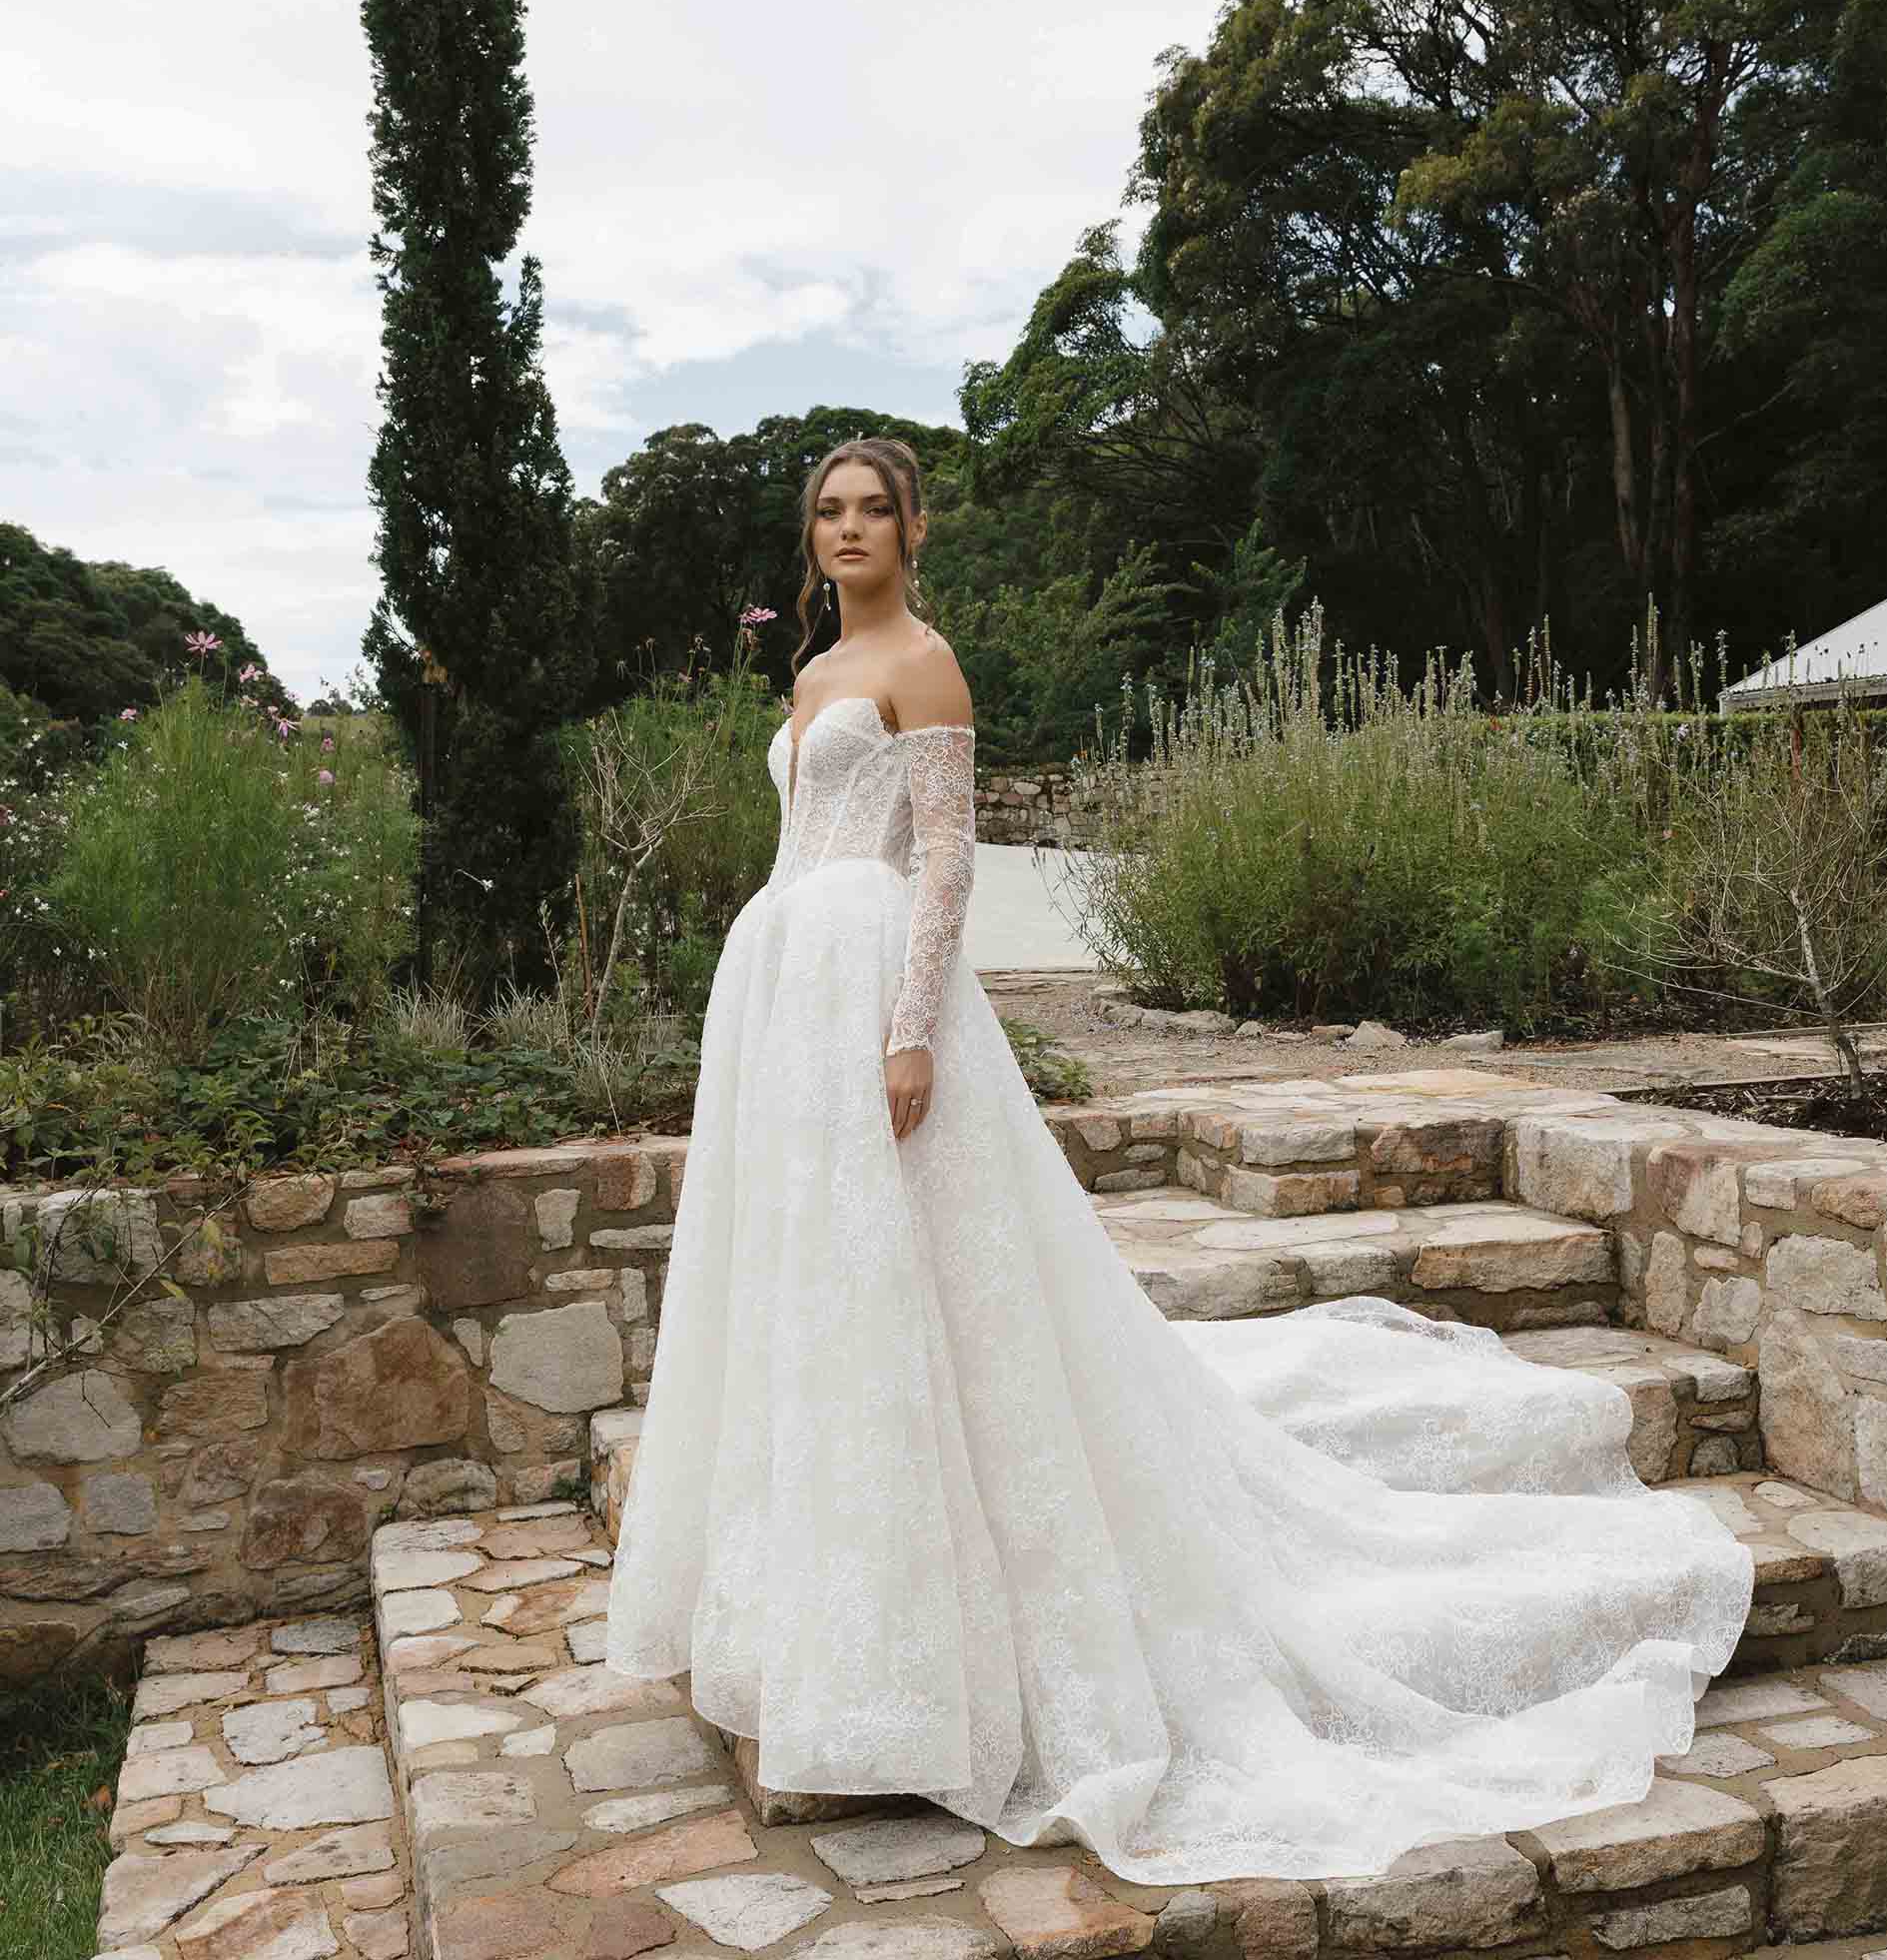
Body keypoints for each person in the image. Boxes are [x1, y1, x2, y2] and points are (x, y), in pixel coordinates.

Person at [603, 435, 1754, 1884]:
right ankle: (819, 1626)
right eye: (828, 512)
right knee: (829, 1293)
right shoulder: (813, 674)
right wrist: (758, 997)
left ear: (910, 527)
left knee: (919, 1285)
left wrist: (910, 1035)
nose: (848, 531)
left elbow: (946, 863)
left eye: (872, 510)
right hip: (791, 992)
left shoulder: (928, 663)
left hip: (878, 996)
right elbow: (798, 847)